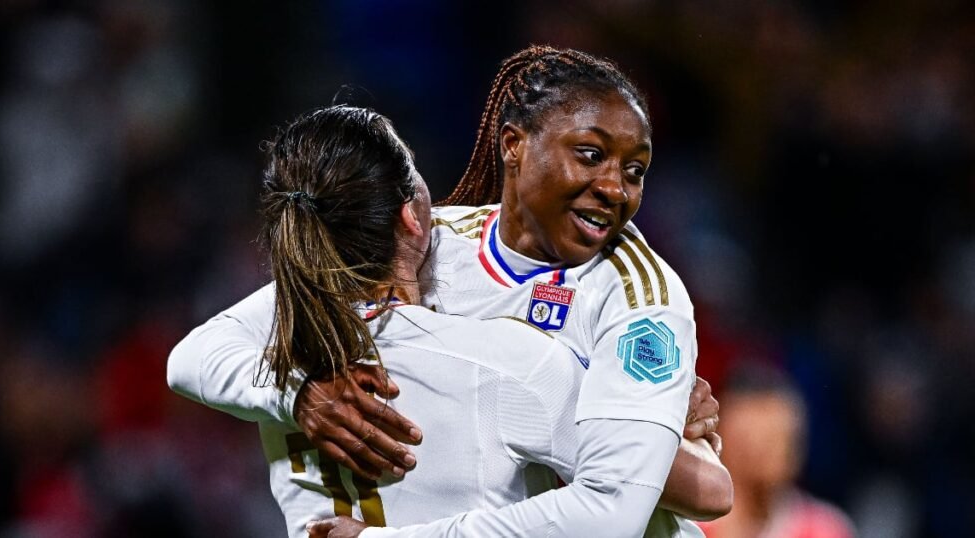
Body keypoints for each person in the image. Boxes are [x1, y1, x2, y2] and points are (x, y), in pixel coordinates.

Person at [169, 46, 732, 536]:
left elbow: (194, 358)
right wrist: (299, 391)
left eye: (635, 170)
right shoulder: (500, 336)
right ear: (513, 144)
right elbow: (700, 489)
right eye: (590, 154)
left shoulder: (638, 293)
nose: (614, 187)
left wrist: (292, 390)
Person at [697, 365, 854, 538]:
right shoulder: (686, 528)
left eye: (782, 440)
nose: (770, 455)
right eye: (761, 440)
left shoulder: (826, 530)